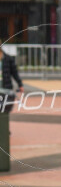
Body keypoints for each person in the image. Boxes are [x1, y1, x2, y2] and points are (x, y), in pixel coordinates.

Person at [0, 42, 24, 172]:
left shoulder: (8, 58)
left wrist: (20, 84)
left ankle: (4, 130)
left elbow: (14, 72)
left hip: (6, 90)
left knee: (4, 112)